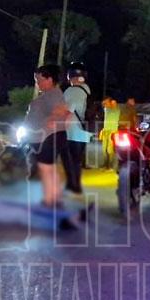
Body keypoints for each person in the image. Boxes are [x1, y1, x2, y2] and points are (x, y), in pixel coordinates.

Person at [24, 64, 70, 207]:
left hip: (49, 137)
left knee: (46, 168)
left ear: (49, 79)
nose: (37, 83)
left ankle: (52, 200)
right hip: (47, 137)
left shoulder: (53, 95)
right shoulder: (49, 94)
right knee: (47, 168)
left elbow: (62, 113)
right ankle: (54, 199)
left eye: (39, 80)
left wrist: (49, 122)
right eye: (36, 80)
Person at [62, 61, 92, 195]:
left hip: (71, 131)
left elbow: (68, 109)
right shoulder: (87, 90)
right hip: (83, 131)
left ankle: (72, 185)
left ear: (70, 76)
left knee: (69, 160)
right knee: (76, 160)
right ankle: (74, 185)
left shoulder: (72, 91)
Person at [100, 97, 120, 168]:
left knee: (110, 150)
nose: (105, 104)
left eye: (106, 103)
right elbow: (103, 105)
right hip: (105, 131)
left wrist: (113, 103)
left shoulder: (116, 110)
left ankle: (110, 165)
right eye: (104, 103)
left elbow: (115, 105)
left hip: (113, 132)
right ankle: (105, 163)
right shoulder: (106, 109)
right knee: (103, 149)